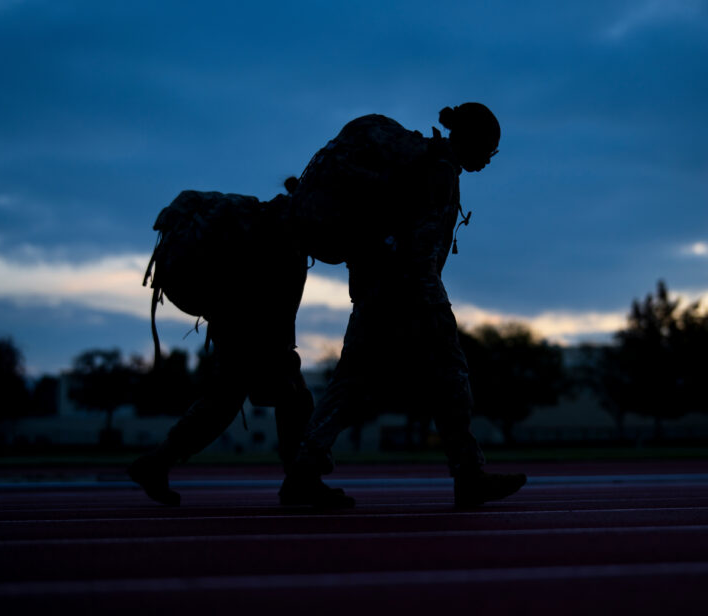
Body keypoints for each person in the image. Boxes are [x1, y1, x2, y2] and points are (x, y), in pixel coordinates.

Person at [289, 102, 527, 507]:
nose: (489, 159)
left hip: (379, 287)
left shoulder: (425, 163)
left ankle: (303, 474)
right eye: (489, 148)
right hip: (406, 293)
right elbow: (422, 247)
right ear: (472, 141)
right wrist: (434, 304)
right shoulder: (437, 171)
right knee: (450, 377)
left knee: (354, 384)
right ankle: (468, 476)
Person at [127, 187, 354, 508]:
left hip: (232, 317)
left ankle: (157, 463)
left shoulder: (267, 225)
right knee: (290, 396)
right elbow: (280, 308)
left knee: (225, 399)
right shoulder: (286, 242)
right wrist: (279, 351)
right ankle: (301, 483)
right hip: (248, 321)